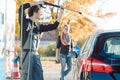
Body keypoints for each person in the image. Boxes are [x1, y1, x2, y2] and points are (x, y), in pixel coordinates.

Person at [18, 1, 64, 80]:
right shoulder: (25, 22)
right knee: (27, 77)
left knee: (39, 76)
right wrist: (37, 3)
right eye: (40, 12)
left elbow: (54, 26)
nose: (41, 14)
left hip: (36, 56)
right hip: (26, 56)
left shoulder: (39, 26)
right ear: (35, 12)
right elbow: (21, 8)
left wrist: (61, 13)